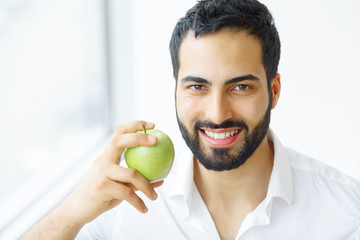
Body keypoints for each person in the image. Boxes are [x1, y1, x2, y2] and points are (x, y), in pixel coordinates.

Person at [21, 0, 360, 239]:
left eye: (240, 86)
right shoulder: (118, 208)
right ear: (176, 90)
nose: (216, 113)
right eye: (197, 86)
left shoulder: (347, 214)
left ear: (274, 90)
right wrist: (70, 214)